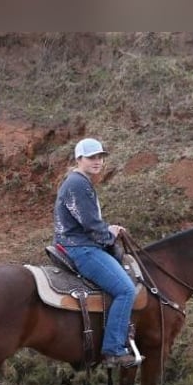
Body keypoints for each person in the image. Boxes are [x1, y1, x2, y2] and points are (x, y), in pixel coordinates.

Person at [53, 138, 138, 368]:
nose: (98, 161)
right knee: (125, 290)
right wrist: (109, 235)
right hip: (81, 248)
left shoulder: (77, 181)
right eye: (91, 157)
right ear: (79, 159)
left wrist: (108, 229)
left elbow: (89, 221)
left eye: (100, 157)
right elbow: (92, 226)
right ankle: (113, 349)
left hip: (74, 242)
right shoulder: (79, 184)